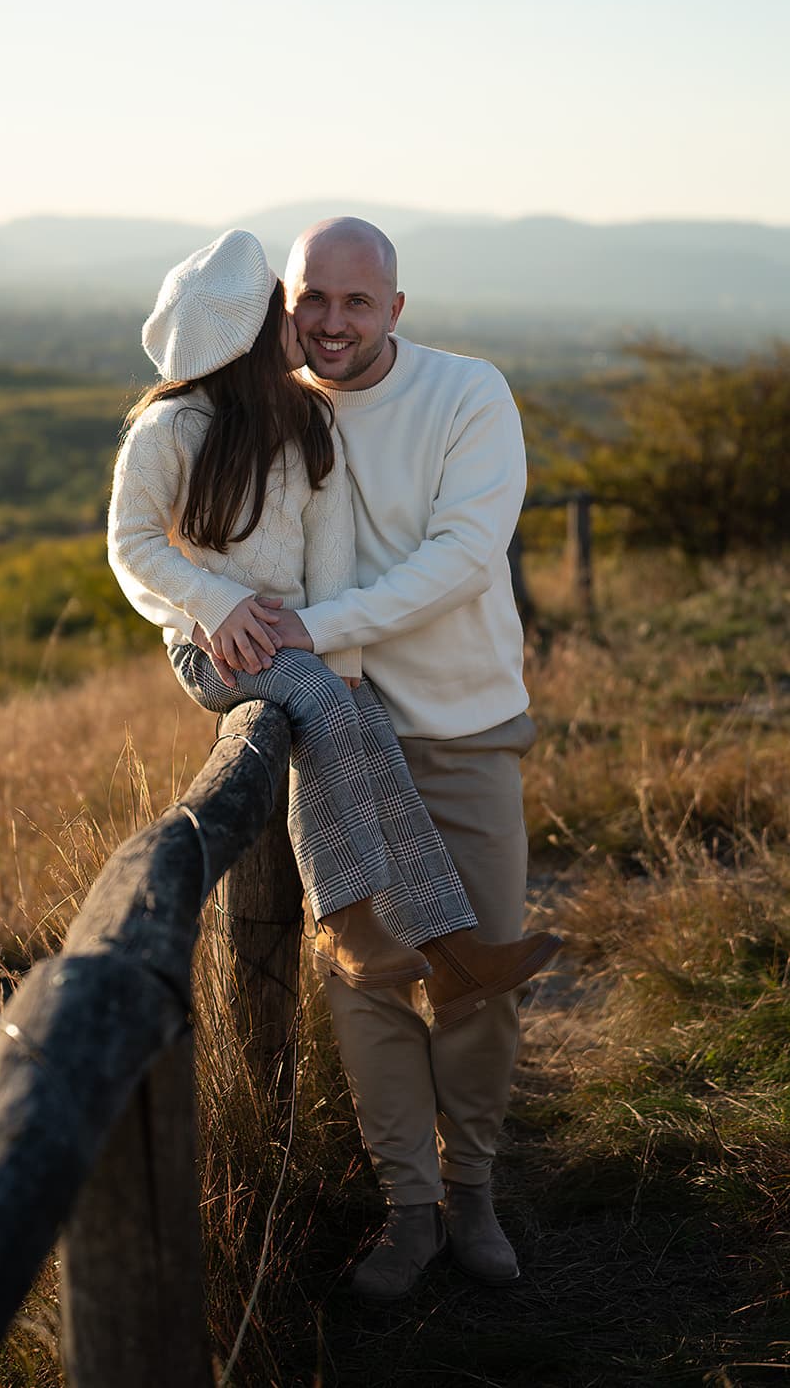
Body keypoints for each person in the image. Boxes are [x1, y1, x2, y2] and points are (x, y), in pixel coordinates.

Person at [208, 214, 546, 1298]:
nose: (333, 322)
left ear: (396, 308)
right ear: (286, 303)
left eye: (358, 302)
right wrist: (217, 613)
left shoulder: (467, 394)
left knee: (478, 971)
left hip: (465, 729)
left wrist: (322, 627)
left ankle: (477, 1195)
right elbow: (189, 533)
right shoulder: (271, 412)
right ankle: (409, 1214)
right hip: (339, 736)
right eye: (314, 299)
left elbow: (462, 556)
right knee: (365, 983)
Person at [107, 229, 557, 1007]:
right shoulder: (170, 429)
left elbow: (332, 551)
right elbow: (131, 543)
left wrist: (344, 668)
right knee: (318, 701)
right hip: (213, 644)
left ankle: (451, 950)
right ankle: (345, 920)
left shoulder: (306, 423)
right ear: (253, 337)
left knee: (357, 714)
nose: (307, 322)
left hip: (297, 644)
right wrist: (216, 604)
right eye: (290, 306)